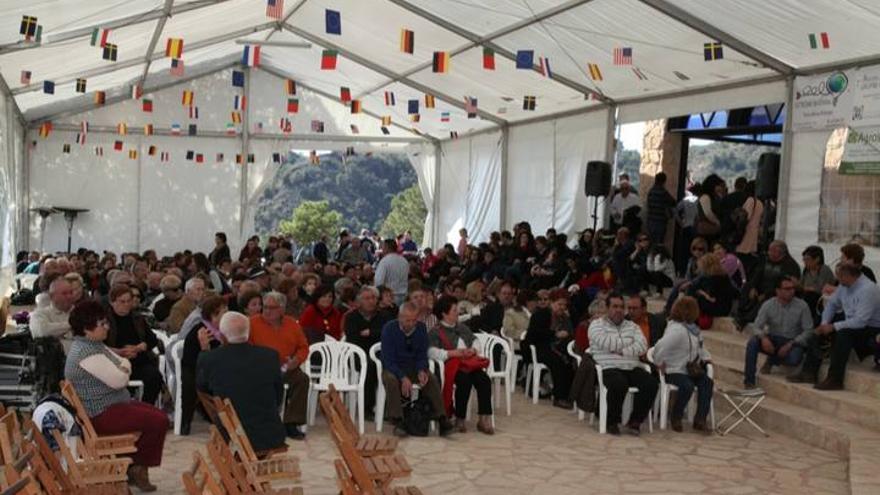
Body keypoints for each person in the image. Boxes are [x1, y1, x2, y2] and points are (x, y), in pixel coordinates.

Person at [65, 300, 168, 492]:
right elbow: (120, 379)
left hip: (113, 403)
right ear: (87, 329)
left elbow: (122, 363)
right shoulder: (87, 353)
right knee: (158, 421)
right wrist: (123, 367)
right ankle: (137, 467)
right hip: (101, 414)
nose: (107, 327)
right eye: (102, 324)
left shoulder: (93, 344)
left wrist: (123, 367)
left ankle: (134, 466)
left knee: (158, 416)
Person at [197, 312, 286, 453]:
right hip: (270, 435)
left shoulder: (210, 359)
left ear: (223, 336)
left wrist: (204, 351)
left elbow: (202, 387)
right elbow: (278, 396)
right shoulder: (270, 356)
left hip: (232, 435)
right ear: (248, 334)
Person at [790, 264, 880, 390]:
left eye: (840, 277)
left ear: (848, 276)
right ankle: (808, 373)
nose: (837, 280)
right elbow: (832, 304)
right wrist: (824, 323)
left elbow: (861, 321)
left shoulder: (868, 290)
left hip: (871, 328)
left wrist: (833, 327)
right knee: (818, 331)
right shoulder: (844, 286)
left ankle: (835, 379)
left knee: (843, 334)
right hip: (852, 322)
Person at [588, 292, 658, 435]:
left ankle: (635, 421)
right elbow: (606, 343)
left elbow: (642, 346)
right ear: (607, 308)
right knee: (619, 384)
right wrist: (628, 343)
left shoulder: (632, 326)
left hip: (631, 366)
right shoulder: (596, 325)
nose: (619, 310)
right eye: (614, 306)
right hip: (608, 366)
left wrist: (622, 351)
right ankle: (612, 421)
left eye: (621, 307)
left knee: (651, 383)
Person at [380, 303, 454, 437]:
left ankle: (442, 418)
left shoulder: (420, 328)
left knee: (431, 378)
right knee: (391, 380)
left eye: (414, 319)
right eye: (408, 320)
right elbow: (388, 360)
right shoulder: (389, 329)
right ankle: (398, 420)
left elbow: (422, 355)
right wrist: (402, 377)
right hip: (394, 368)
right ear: (400, 317)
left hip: (413, 367)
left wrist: (421, 370)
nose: (412, 323)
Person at [248, 291, 310, 439]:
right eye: (265, 307)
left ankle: (291, 423)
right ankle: (265, 422)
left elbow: (304, 347)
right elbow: (246, 347)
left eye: (272, 307)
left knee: (302, 380)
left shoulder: (292, 324)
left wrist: (296, 361)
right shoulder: (252, 323)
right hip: (261, 368)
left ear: (282, 309)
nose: (267, 311)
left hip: (286, 367)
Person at [428, 296, 494, 434]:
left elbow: (475, 340)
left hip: (468, 363)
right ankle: (460, 418)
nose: (458, 312)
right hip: (451, 366)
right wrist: (453, 353)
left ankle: (484, 419)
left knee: (484, 380)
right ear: (444, 314)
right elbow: (431, 352)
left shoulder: (462, 327)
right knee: (464, 381)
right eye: (454, 310)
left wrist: (473, 350)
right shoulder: (435, 331)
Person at [652, 296, 713, 433]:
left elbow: (701, 348)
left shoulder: (694, 330)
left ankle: (700, 419)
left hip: (690, 370)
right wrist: (658, 363)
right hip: (674, 370)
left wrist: (707, 358)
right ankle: (676, 416)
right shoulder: (677, 330)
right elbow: (660, 347)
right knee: (687, 386)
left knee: (707, 382)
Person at [742, 277, 812, 388]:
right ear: (778, 291)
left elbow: (808, 330)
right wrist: (763, 338)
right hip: (773, 338)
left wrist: (791, 343)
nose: (791, 291)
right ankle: (749, 381)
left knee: (794, 359)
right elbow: (756, 326)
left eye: (792, 288)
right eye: (787, 289)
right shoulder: (768, 305)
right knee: (752, 343)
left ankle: (772, 360)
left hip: (792, 340)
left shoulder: (802, 306)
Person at [179, 295, 226, 435]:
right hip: (195, 368)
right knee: (191, 383)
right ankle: (185, 421)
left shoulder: (224, 331)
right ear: (214, 314)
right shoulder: (200, 331)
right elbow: (192, 359)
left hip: (218, 369)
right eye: (224, 311)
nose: (227, 313)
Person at [344, 286, 392, 418]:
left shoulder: (384, 316)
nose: (371, 301)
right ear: (359, 301)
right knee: (370, 366)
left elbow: (388, 334)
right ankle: (366, 407)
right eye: (367, 298)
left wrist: (370, 333)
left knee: (390, 365)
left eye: (373, 298)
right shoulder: (351, 317)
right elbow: (353, 338)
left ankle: (389, 408)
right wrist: (376, 334)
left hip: (380, 353)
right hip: (358, 354)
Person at [522, 289, 574, 409]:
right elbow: (534, 334)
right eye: (559, 304)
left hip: (557, 347)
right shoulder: (541, 314)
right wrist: (554, 334)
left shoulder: (564, 318)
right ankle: (559, 397)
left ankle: (567, 395)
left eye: (564, 305)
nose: (562, 307)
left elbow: (571, 332)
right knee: (558, 362)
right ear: (551, 302)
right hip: (539, 347)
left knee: (569, 360)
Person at [688, 253, 739, 318]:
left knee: (691, 292)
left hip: (712, 310)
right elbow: (736, 293)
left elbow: (692, 289)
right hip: (725, 310)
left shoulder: (707, 278)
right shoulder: (725, 277)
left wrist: (700, 293)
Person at [30, 276, 75, 346]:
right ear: (52, 296)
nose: (69, 296)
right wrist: (73, 324)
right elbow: (42, 331)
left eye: (71, 292)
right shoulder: (40, 314)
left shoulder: (80, 311)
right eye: (64, 293)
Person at [735, 180, 764, 274]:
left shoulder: (750, 200)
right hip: (754, 234)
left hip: (745, 233)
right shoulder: (760, 202)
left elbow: (746, 217)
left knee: (741, 259)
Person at [800, 245, 835, 321]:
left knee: (810, 297)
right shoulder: (806, 270)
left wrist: (808, 288)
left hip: (820, 299)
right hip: (807, 296)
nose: (805, 262)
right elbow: (802, 284)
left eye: (807, 260)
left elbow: (822, 289)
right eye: (804, 260)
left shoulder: (824, 270)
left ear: (817, 259)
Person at [645, 172, 677, 245]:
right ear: (664, 181)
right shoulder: (663, 192)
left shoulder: (651, 191)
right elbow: (673, 202)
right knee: (659, 244)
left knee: (651, 243)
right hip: (660, 222)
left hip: (650, 221)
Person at [375, 239, 410, 305]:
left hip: (390, 297)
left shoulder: (384, 261)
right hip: (404, 295)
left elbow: (378, 281)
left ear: (386, 247)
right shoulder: (404, 260)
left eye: (383, 247)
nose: (382, 249)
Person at [695, 174, 725, 244]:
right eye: (719, 185)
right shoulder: (705, 196)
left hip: (710, 229)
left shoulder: (714, 197)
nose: (720, 188)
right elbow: (708, 213)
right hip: (706, 228)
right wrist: (717, 222)